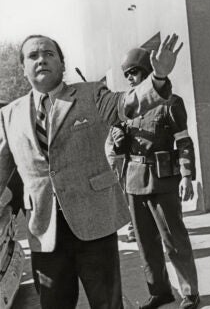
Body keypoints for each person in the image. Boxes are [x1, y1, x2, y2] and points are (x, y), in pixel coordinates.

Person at [0, 33, 178, 308]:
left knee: (107, 303)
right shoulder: (9, 114)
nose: (41, 60)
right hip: (43, 231)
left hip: (94, 223)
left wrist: (158, 79)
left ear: (62, 63)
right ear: (23, 68)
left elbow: (128, 103)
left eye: (49, 53)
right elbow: (2, 170)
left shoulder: (90, 94)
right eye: (33, 56)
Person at [106, 47, 200, 309]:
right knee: (146, 243)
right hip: (134, 181)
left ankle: (190, 293)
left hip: (163, 180)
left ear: (147, 73)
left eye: (134, 72)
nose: (130, 79)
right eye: (127, 75)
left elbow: (184, 142)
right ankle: (160, 291)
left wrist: (186, 176)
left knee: (174, 241)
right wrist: (118, 141)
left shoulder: (171, 103)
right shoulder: (128, 108)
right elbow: (122, 148)